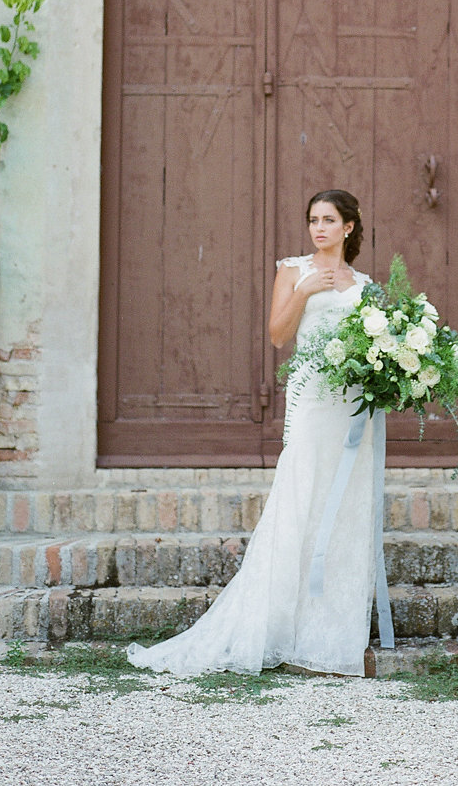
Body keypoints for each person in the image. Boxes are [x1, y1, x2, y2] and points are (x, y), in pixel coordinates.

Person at [126, 189, 377, 677]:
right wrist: (305, 291)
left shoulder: (365, 286)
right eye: (312, 220)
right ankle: (275, 624)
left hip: (350, 409)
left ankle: (328, 635)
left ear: (349, 227)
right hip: (311, 399)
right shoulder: (292, 270)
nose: (318, 228)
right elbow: (278, 335)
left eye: (328, 220)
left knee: (342, 506)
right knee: (299, 499)